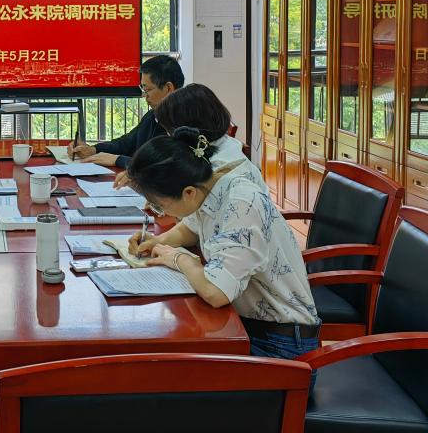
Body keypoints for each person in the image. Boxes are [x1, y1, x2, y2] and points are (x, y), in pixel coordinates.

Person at [127, 128, 319, 363]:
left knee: (166, 368)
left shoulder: (241, 205)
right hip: (248, 325)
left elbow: (216, 292)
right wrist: (157, 241)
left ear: (188, 192)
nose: (161, 212)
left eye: (159, 206)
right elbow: (190, 228)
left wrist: (179, 258)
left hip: (280, 343)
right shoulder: (209, 186)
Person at [114, 82, 267, 194]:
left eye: (170, 132)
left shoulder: (221, 171)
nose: (170, 138)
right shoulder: (216, 147)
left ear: (188, 130)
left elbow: (191, 213)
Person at [68, 55, 184, 169]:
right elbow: (125, 144)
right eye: (143, 89)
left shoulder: (184, 122)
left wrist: (118, 160)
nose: (145, 95)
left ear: (168, 88)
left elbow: (165, 167)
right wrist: (93, 149)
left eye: (147, 89)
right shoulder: (152, 116)